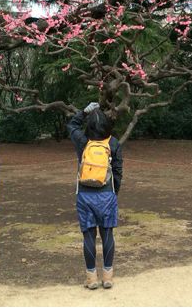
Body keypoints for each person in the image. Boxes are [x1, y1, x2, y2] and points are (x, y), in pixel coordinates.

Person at [67, 102, 123, 290]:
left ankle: (91, 279)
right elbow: (118, 172)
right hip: (107, 195)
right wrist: (114, 193)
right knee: (107, 235)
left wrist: (83, 112)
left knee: (89, 236)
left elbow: (72, 125)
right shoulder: (113, 143)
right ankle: (107, 277)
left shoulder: (82, 141)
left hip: (85, 196)